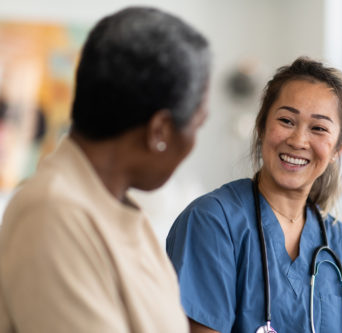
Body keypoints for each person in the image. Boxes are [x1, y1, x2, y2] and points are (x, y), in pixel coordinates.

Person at [166, 57, 342, 333]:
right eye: (286, 120)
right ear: (261, 127)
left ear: (338, 148)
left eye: (318, 128)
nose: (297, 140)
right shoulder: (212, 222)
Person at [0, 6, 210, 332]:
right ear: (160, 132)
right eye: (197, 124)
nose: (195, 141)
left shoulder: (123, 211)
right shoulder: (51, 213)